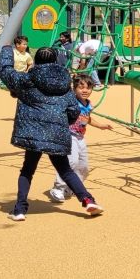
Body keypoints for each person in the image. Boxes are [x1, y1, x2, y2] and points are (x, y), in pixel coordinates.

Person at [0, 45, 103, 221]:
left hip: (32, 133)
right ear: (55, 62)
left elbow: (5, 71)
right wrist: (63, 123)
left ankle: (20, 209)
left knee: (27, 170)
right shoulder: (65, 85)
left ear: (36, 61)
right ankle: (87, 200)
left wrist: (7, 50)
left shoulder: (26, 79)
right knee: (65, 170)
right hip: (56, 133)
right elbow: (73, 111)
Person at [46, 74, 113, 203]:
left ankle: (72, 186)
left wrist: (101, 126)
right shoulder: (71, 102)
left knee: (84, 166)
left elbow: (88, 119)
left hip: (80, 137)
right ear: (74, 89)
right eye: (81, 87)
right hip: (69, 135)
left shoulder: (88, 104)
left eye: (88, 88)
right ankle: (58, 188)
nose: (85, 90)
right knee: (71, 162)